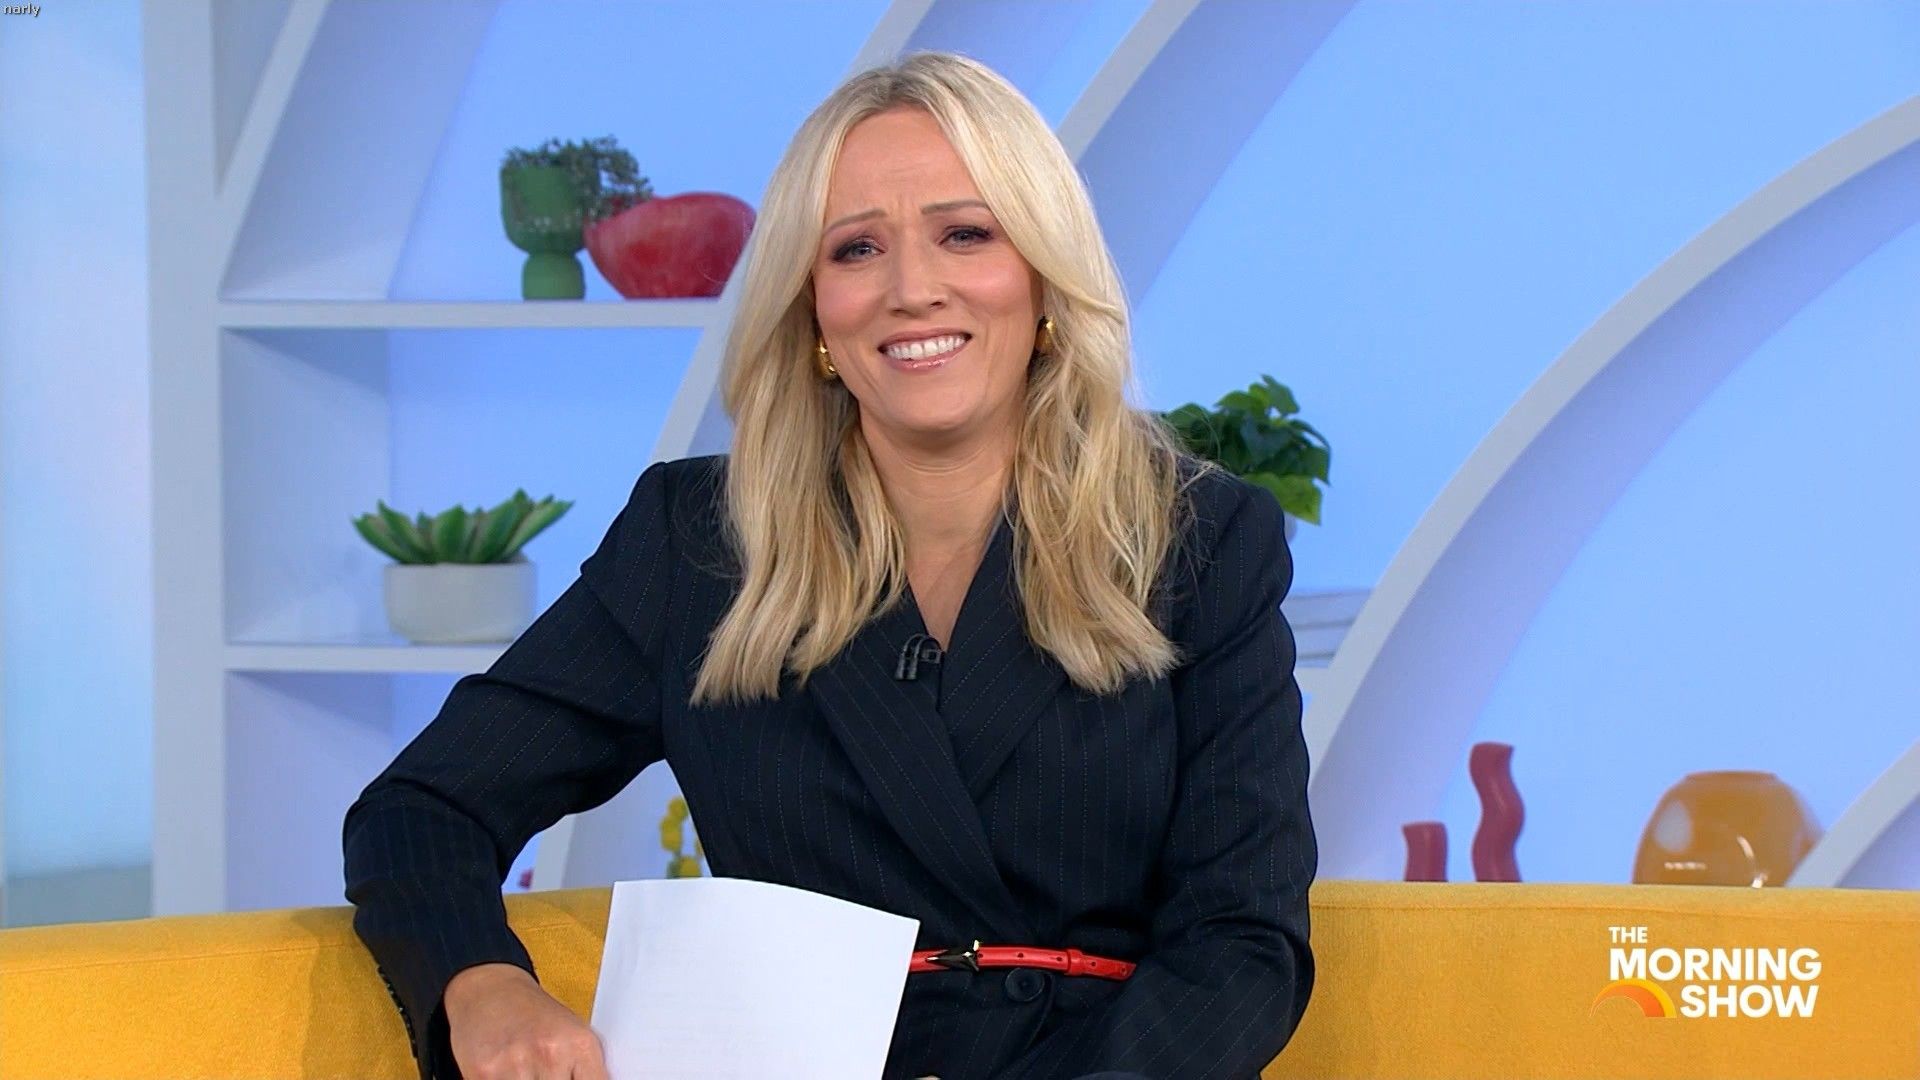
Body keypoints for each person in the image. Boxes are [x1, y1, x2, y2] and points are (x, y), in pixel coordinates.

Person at [343, 50, 1315, 1080]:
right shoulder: (698, 543)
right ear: (811, 309)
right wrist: (482, 985)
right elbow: (423, 809)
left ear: (1043, 277)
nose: (912, 290)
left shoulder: (1200, 538)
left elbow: (1241, 944)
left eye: (966, 234)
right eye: (856, 249)